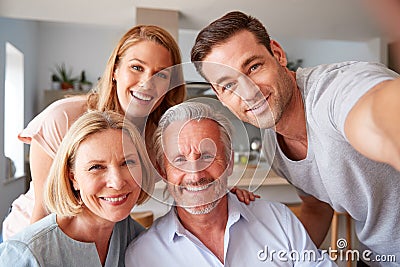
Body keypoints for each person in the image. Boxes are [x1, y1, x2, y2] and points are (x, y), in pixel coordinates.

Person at [2, 24, 255, 241]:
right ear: (115, 71)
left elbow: (188, 178)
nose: (147, 82)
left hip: (98, 242)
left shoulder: (158, 138)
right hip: (31, 236)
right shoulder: (65, 118)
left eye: (161, 74)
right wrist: (27, 258)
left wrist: (222, 191)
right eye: (137, 68)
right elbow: (43, 211)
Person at [190, 11, 400, 266]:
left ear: (277, 54)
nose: (249, 92)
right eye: (229, 86)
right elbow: (316, 207)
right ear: (219, 96)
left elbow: (376, 111)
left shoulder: (332, 92)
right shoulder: (273, 145)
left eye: (254, 67)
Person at [125, 102, 336, 266]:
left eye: (207, 156)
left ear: (229, 162)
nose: (195, 173)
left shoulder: (278, 221)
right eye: (179, 160)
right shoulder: (143, 255)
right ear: (163, 171)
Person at [0, 110, 154, 266]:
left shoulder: (141, 241)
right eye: (96, 167)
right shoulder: (25, 254)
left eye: (128, 163)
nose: (117, 182)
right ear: (73, 177)